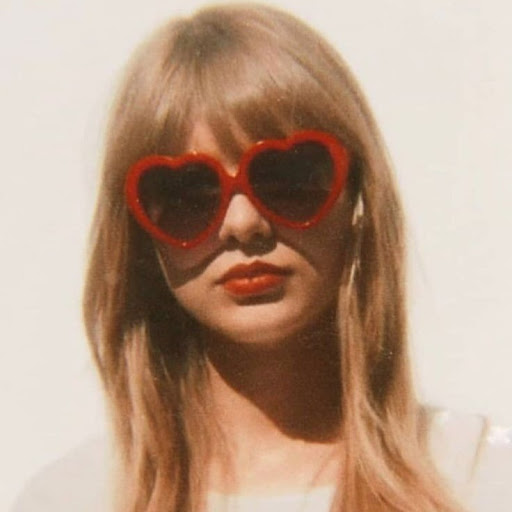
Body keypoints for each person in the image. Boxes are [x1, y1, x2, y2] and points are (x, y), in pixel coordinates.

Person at [70, 4, 505, 512]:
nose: (242, 223)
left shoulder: (482, 478)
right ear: (139, 235)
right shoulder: (73, 498)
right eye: (187, 194)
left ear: (358, 199)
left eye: (286, 177)